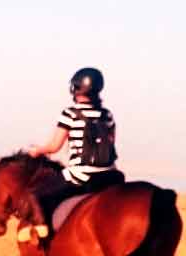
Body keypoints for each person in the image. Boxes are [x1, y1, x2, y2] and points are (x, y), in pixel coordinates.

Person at [26, 67, 124, 245]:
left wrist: (37, 150)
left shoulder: (70, 114)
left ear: (75, 88)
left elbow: (54, 147)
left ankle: (44, 238)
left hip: (81, 175)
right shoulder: (107, 115)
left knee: (35, 195)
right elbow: (111, 144)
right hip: (110, 175)